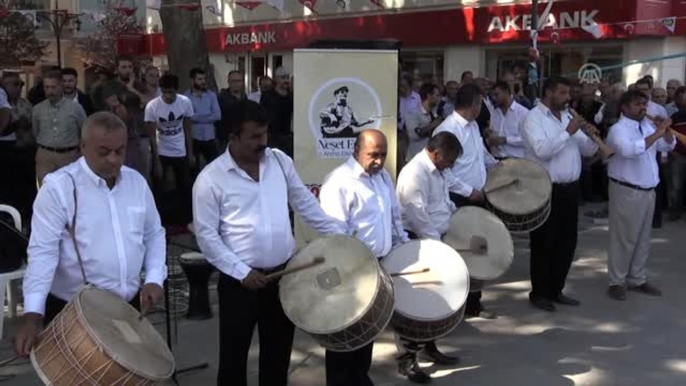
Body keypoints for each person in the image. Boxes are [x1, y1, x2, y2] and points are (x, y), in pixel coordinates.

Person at [192, 100, 343, 386]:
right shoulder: (210, 179)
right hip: (239, 283)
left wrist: (342, 238)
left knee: (278, 356)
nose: (263, 142)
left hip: (283, 277)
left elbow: (306, 206)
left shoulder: (279, 161)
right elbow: (207, 237)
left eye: (265, 134)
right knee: (234, 359)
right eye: (254, 137)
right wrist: (240, 272)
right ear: (232, 137)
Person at [14, 112, 166, 357]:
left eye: (120, 150)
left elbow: (153, 233)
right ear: (83, 147)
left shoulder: (136, 182)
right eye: (104, 152)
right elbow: (43, 253)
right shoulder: (58, 187)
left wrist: (154, 278)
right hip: (73, 311)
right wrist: (33, 314)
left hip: (128, 308)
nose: (113, 159)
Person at [319, 129, 410, 386]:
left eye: (383, 155)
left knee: (368, 328)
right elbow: (336, 235)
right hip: (349, 270)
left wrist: (405, 249)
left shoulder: (383, 179)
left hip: (380, 266)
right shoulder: (339, 182)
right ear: (356, 151)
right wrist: (358, 265)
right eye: (373, 155)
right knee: (345, 331)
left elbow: (394, 220)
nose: (379, 161)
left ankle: (360, 376)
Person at [520, 77, 599, 312]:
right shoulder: (532, 118)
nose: (568, 98)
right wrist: (568, 132)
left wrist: (591, 135)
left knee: (567, 242)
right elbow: (543, 150)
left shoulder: (567, 117)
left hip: (570, 190)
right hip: (545, 189)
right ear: (548, 93)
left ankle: (556, 289)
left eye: (568, 93)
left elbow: (587, 149)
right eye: (563, 93)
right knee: (544, 242)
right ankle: (540, 293)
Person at [395, 132, 462, 384]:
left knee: (434, 301)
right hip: (419, 243)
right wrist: (440, 249)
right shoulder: (415, 173)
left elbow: (441, 202)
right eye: (450, 160)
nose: (451, 165)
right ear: (436, 154)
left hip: (433, 239)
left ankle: (429, 347)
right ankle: (407, 360)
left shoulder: (437, 169)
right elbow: (418, 216)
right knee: (414, 305)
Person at [433, 83, 497, 319]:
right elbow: (443, 171)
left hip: (478, 197)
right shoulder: (447, 129)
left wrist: (499, 168)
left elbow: (480, 155)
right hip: (459, 199)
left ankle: (473, 303)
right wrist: (468, 190)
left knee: (478, 251)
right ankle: (454, 306)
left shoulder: (473, 127)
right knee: (459, 253)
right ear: (475, 104)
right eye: (481, 102)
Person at [605, 90, 675, 301]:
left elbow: (667, 145)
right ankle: (616, 281)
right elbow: (629, 150)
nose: (643, 108)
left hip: (648, 191)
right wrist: (657, 131)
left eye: (644, 104)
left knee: (643, 239)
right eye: (637, 104)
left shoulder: (647, 125)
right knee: (624, 239)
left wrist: (667, 131)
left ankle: (636, 278)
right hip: (627, 190)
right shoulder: (617, 130)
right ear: (625, 107)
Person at [145, 74, 195, 225]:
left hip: (180, 151)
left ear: (176, 90)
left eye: (171, 92)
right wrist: (156, 161)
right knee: (160, 188)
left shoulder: (185, 103)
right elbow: (152, 136)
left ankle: (186, 220)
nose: (168, 96)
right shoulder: (152, 106)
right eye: (165, 92)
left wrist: (190, 153)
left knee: (185, 186)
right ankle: (160, 221)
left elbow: (188, 129)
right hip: (161, 151)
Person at [32, 71, 87, 185]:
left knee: (70, 189)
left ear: (61, 87)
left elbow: (84, 131)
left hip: (69, 155)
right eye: (46, 87)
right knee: (46, 190)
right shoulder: (37, 109)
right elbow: (36, 131)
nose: (50, 91)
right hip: (45, 156)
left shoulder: (75, 108)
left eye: (53, 87)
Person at [1, 73, 35, 220]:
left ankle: (27, 217)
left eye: (21, 84)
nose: (19, 87)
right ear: (4, 86)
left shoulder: (26, 104)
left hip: (27, 151)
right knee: (8, 187)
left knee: (27, 188)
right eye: (14, 84)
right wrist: (15, 125)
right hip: (7, 152)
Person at [186, 68, 221, 170]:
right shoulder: (186, 97)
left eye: (204, 79)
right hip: (194, 138)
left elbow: (217, 116)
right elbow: (188, 117)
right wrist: (208, 117)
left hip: (210, 137)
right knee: (194, 169)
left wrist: (197, 118)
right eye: (199, 79)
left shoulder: (211, 95)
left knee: (214, 168)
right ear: (192, 81)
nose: (203, 82)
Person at [487, 80, 528, 159]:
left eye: (496, 94)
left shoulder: (523, 113)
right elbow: (492, 134)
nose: (494, 98)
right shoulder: (494, 113)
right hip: (497, 159)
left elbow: (527, 140)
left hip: (516, 160)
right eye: (492, 95)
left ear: (506, 92)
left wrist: (505, 140)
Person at [404, 83, 443, 161]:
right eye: (437, 95)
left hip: (432, 158)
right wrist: (433, 125)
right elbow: (413, 135)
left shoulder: (436, 114)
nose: (439, 98)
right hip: (416, 158)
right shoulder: (413, 114)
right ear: (429, 95)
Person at [260, 68, 293, 156]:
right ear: (276, 79)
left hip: (287, 137)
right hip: (271, 137)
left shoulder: (291, 96)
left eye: (287, 78)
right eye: (283, 78)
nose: (286, 80)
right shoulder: (267, 95)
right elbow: (261, 115)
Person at [668, 86, 686, 220]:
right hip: (678, 156)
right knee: (676, 185)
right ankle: (675, 211)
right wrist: (672, 152)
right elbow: (668, 135)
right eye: (681, 98)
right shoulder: (676, 116)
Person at [219, 70, 247, 150]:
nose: (236, 84)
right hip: (226, 138)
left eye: (239, 81)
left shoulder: (244, 96)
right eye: (233, 81)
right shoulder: (222, 97)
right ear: (228, 82)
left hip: (242, 136)